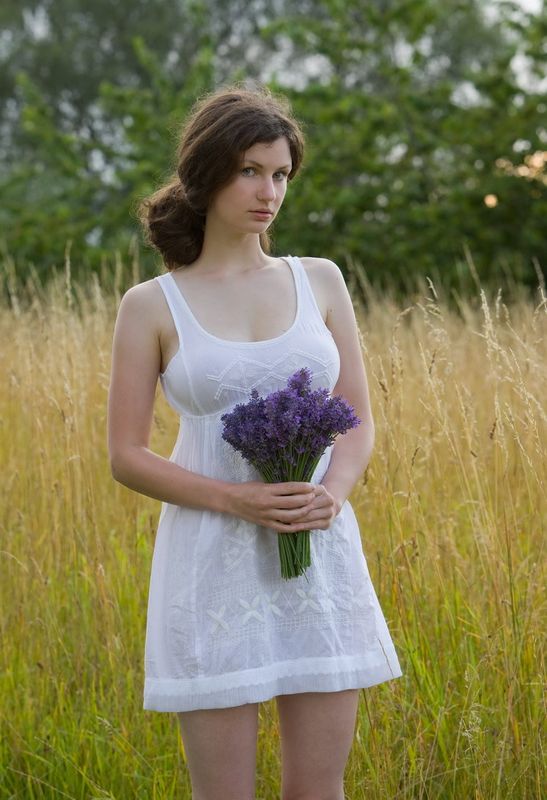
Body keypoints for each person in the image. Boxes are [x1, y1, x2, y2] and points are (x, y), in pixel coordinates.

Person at [107, 83, 403, 800]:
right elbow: (126, 454)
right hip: (209, 565)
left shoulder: (320, 281)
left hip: (317, 558)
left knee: (318, 791)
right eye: (249, 170)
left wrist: (329, 497)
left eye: (280, 174)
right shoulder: (151, 304)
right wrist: (235, 499)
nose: (268, 190)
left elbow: (355, 418)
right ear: (205, 172)